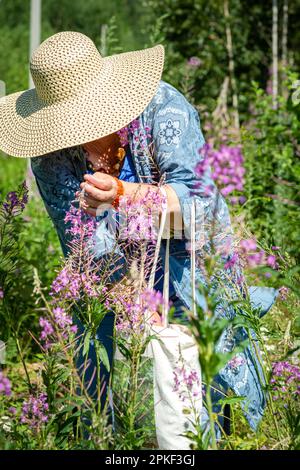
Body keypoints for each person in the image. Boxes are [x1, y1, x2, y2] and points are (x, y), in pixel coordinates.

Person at [0, 31, 277, 435]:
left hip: (191, 248)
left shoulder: (162, 109)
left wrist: (125, 195)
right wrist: (137, 300)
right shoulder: (50, 156)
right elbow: (82, 242)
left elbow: (200, 205)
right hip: (114, 274)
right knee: (113, 371)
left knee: (208, 363)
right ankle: (111, 432)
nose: (74, 135)